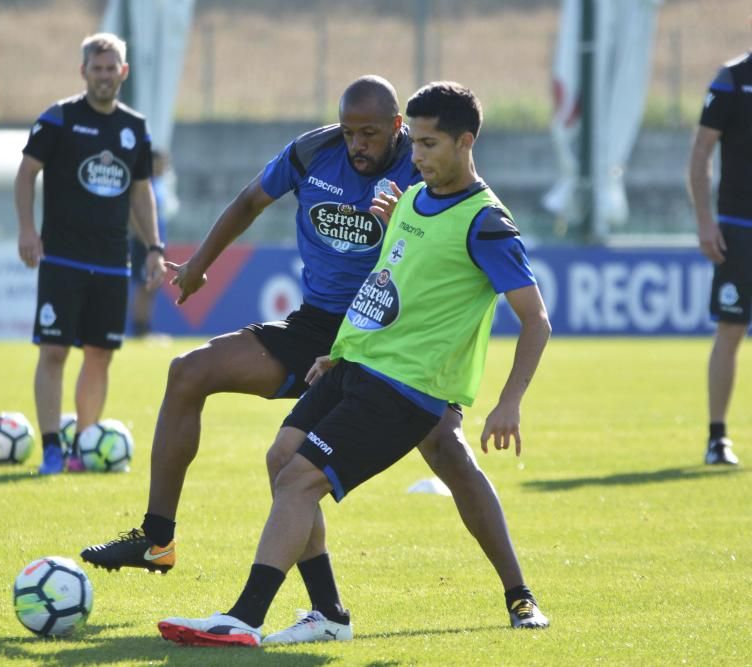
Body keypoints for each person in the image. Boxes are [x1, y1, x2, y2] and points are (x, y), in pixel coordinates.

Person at [82, 75, 548, 635]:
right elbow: (367, 271)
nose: (362, 145)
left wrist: (509, 400)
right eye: (351, 132)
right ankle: (287, 595)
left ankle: (516, 595)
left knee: (434, 453)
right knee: (253, 432)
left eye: (384, 136)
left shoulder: (471, 212)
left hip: (406, 368)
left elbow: (530, 317)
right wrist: (338, 346)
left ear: (446, 138)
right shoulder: (376, 183)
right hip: (344, 343)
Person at [14, 32, 166, 475]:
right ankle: (50, 449)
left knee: (100, 354)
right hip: (61, 258)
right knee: (55, 351)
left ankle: (84, 445)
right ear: (84, 72)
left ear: (124, 72)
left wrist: (154, 246)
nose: (103, 76)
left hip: (112, 262)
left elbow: (141, 193)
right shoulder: (58, 119)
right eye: (95, 69)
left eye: (110, 68)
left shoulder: (134, 128)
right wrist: (27, 229)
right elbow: (26, 176)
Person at [687, 49, 751, 467]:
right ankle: (717, 438)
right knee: (730, 330)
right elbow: (700, 154)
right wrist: (706, 221)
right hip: (738, 227)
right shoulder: (732, 79)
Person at [128, 151, 175, 337]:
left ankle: (145, 328)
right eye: (160, 163)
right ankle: (140, 330)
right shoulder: (143, 183)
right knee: (144, 285)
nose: (164, 167)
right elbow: (133, 213)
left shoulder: (160, 184)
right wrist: (148, 241)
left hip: (157, 244)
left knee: (152, 286)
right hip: (145, 244)